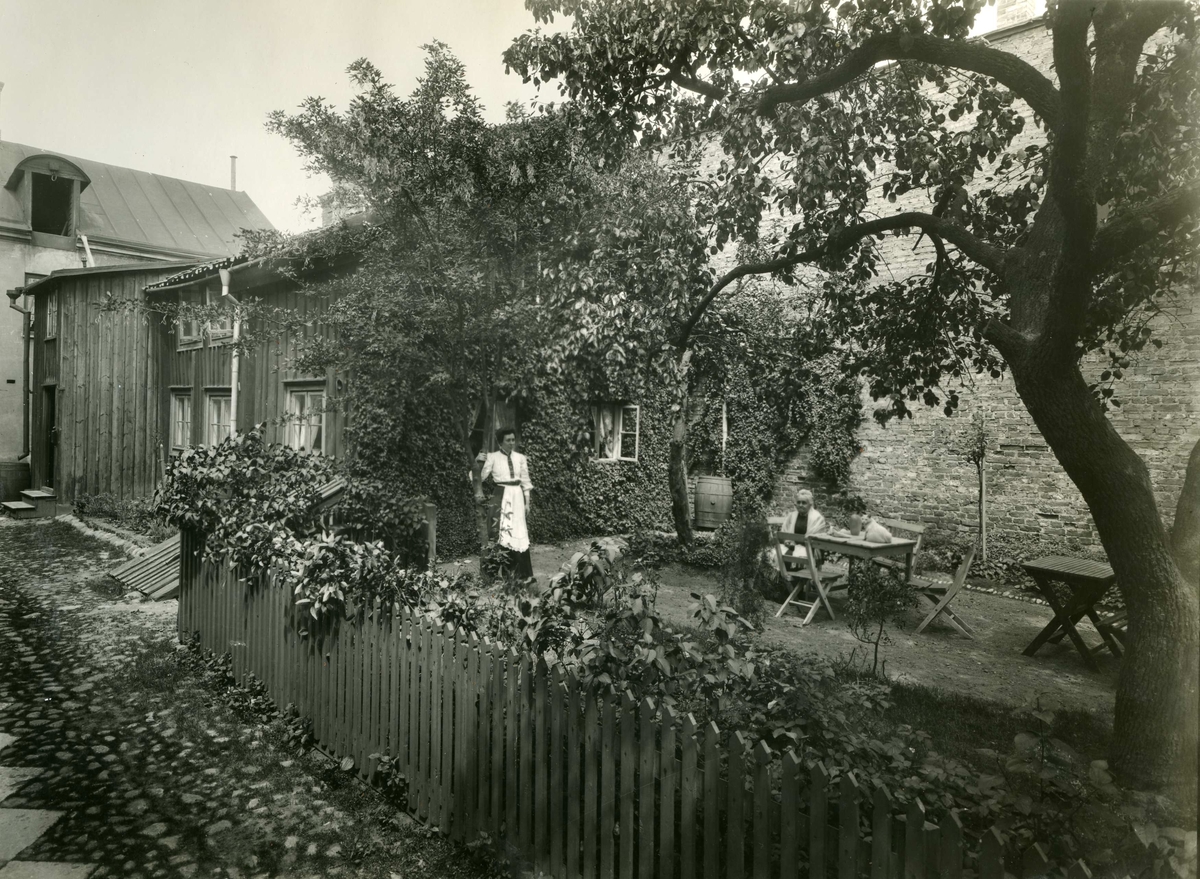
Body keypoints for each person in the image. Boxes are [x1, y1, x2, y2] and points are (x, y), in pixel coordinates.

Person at [478, 427, 534, 579]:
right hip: (501, 496)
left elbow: (526, 482)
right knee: (499, 531)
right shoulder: (492, 457)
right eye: (508, 440)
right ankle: (493, 574)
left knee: (518, 531)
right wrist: (478, 461)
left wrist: (527, 503)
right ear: (500, 442)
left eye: (513, 440)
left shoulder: (520, 458)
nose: (511, 443)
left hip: (517, 497)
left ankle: (521, 575)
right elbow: (479, 478)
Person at [776, 489, 830, 562]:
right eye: (798, 502)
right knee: (775, 553)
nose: (800, 505)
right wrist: (787, 541)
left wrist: (797, 543)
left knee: (790, 555)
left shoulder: (817, 518)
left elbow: (817, 538)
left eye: (804, 503)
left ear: (810, 504)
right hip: (792, 546)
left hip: (809, 548)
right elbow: (784, 532)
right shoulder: (792, 516)